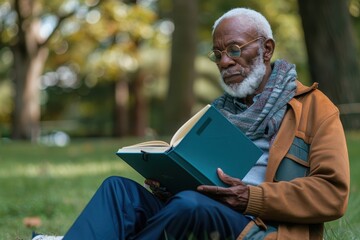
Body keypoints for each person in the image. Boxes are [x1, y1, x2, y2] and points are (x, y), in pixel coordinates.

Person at [33, 7, 350, 240]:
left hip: (261, 227)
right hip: (198, 204)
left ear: (267, 49)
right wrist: (167, 182)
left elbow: (332, 195)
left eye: (235, 49)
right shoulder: (217, 112)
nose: (225, 61)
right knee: (118, 191)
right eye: (218, 54)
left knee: (189, 205)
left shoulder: (314, 109)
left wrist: (252, 197)